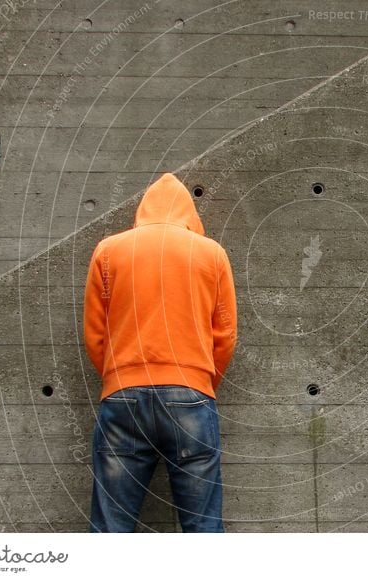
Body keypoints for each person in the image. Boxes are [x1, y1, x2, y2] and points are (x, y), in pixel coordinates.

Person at [83, 172, 237, 532]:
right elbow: (225, 335)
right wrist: (197, 381)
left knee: (110, 528)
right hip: (191, 398)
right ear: (189, 214)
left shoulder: (109, 251)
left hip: (122, 398)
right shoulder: (211, 254)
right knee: (202, 529)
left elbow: (95, 335)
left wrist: (120, 376)